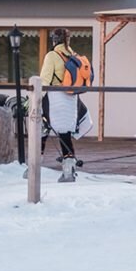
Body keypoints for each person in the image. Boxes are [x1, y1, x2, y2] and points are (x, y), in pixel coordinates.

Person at [39, 28, 91, 167]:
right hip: (71, 98)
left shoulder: (52, 55)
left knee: (41, 127)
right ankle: (69, 161)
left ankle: (36, 162)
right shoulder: (73, 55)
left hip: (54, 98)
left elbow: (44, 80)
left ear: (55, 40)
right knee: (64, 131)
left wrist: (35, 99)